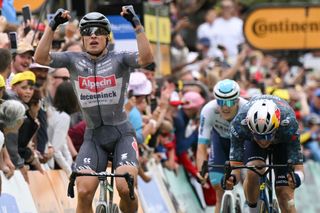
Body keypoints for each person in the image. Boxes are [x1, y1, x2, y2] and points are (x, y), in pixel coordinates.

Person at [34, 6, 154, 213]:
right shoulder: (73, 61)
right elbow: (40, 58)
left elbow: (146, 59)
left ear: (107, 37)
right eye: (88, 32)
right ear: (82, 39)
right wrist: (52, 26)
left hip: (121, 135)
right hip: (93, 137)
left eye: (99, 31)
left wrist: (137, 26)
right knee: (83, 191)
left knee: (125, 188)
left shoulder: (120, 58)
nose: (93, 36)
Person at [225, 95, 304, 212]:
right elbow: (235, 168)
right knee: (254, 169)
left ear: (276, 128)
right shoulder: (239, 125)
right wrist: (231, 179)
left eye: (268, 136)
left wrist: (296, 178)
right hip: (253, 142)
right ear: (250, 128)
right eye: (259, 136)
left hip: (281, 141)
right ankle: (252, 206)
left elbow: (298, 167)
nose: (263, 141)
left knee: (285, 195)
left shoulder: (289, 124)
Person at [196, 79, 247, 213]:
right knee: (219, 189)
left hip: (243, 143)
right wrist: (201, 171)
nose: (225, 107)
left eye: (230, 102)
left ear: (237, 100)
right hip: (221, 142)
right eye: (221, 102)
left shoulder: (247, 109)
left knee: (250, 182)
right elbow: (201, 146)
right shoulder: (208, 110)